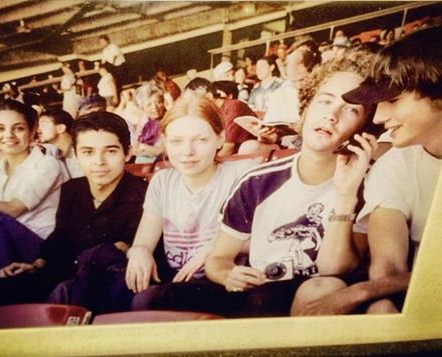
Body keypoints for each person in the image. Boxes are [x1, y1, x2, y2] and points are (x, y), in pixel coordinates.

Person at [135, 51, 379, 317]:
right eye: (324, 102)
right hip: (258, 291)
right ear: (306, 109)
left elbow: (334, 268)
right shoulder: (257, 182)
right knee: (151, 301)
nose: (332, 115)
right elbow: (218, 260)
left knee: (319, 288)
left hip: (312, 294)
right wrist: (229, 275)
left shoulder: (370, 183)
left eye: (351, 109)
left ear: (363, 126)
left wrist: (345, 196)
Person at [290, 25, 442, 316]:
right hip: (425, 304)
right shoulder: (394, 165)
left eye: (393, 100)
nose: (381, 115)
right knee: (381, 307)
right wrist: (369, 292)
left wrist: (359, 291)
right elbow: (387, 267)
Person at [0, 112, 148, 309]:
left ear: (128, 153)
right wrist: (37, 263)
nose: (99, 162)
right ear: (76, 155)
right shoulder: (73, 188)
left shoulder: (142, 193)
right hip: (66, 274)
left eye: (111, 151)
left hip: (110, 285)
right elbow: (61, 236)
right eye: (88, 152)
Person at [125, 95, 257, 308]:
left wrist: (214, 249)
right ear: (165, 142)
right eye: (177, 141)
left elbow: (267, 237)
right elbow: (143, 242)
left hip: (222, 283)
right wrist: (139, 251)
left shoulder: (240, 175)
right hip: (175, 279)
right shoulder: (163, 181)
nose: (187, 151)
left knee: (147, 301)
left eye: (201, 140)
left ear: (220, 139)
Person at [0, 100, 67, 287]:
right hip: (4, 241)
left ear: (32, 131)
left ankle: (7, 289)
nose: (8, 135)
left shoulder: (46, 164)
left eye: (18, 128)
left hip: (41, 247)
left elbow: (14, 209)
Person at [37, 108, 84, 179]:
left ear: (61, 128)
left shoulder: (82, 151)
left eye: (43, 125)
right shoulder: (50, 154)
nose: (38, 130)